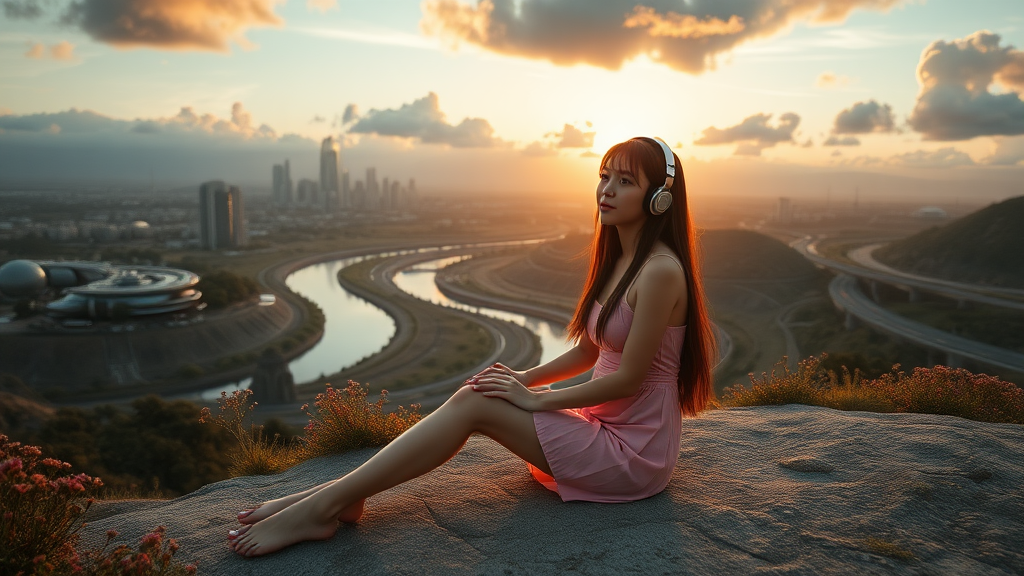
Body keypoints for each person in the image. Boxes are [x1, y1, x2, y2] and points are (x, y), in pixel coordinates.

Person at [228, 137, 716, 557]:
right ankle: (333, 497)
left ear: (659, 199)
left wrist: (536, 399)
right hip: (606, 427)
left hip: (633, 453)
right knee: (480, 390)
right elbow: (589, 354)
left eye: (625, 181)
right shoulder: (621, 260)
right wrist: (520, 380)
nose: (607, 190)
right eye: (604, 175)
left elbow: (628, 377)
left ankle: (323, 506)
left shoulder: (660, 271)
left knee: (472, 405)